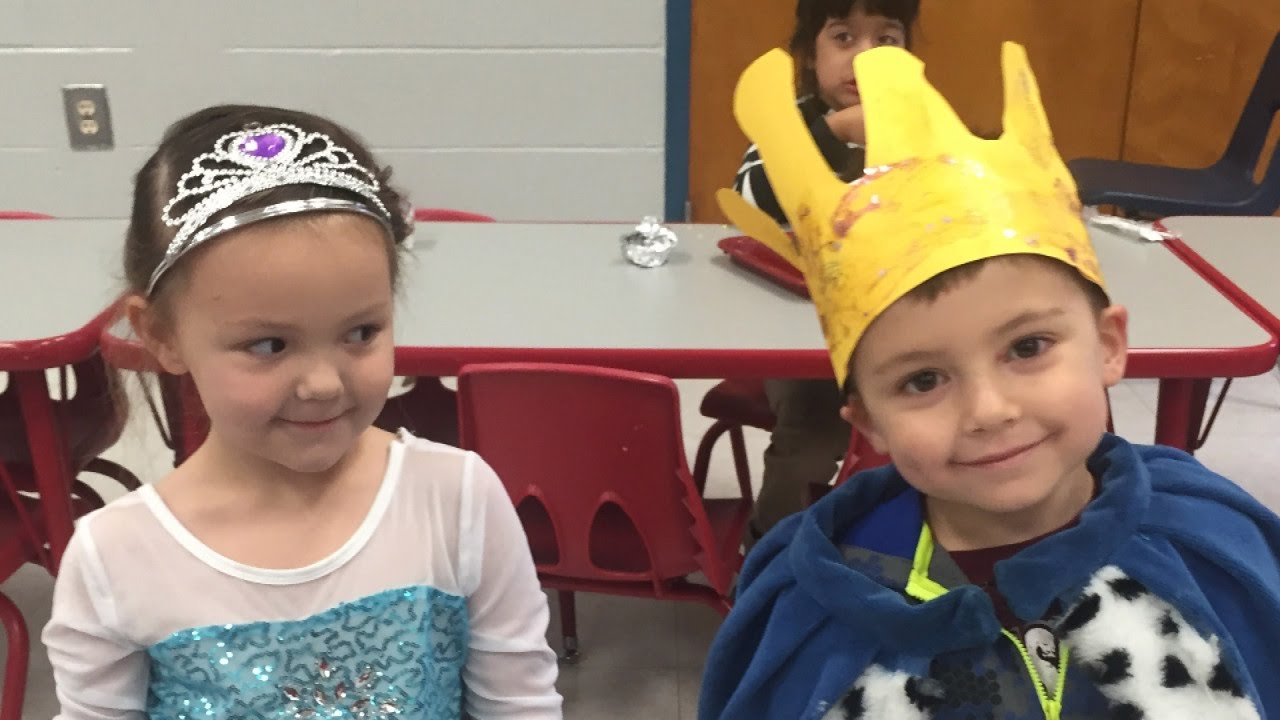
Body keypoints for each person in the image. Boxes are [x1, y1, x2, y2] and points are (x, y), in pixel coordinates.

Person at [701, 42, 1280, 720]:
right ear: (869, 423)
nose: (989, 409)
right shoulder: (816, 605)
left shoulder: (1215, 547)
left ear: (1109, 346)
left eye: (1027, 347)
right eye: (923, 380)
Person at [43, 105, 562, 720]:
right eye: (269, 345)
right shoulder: (115, 557)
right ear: (161, 334)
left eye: (361, 332)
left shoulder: (458, 500)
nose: (322, 384)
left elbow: (520, 703)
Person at [732, 0, 920, 541]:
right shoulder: (788, 125)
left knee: (937, 418)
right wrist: (832, 132)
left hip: (896, 332)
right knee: (811, 431)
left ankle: (907, 537)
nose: (864, 58)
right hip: (800, 341)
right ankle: (771, 550)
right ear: (811, 56)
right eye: (843, 38)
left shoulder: (922, 126)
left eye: (885, 40)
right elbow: (750, 202)